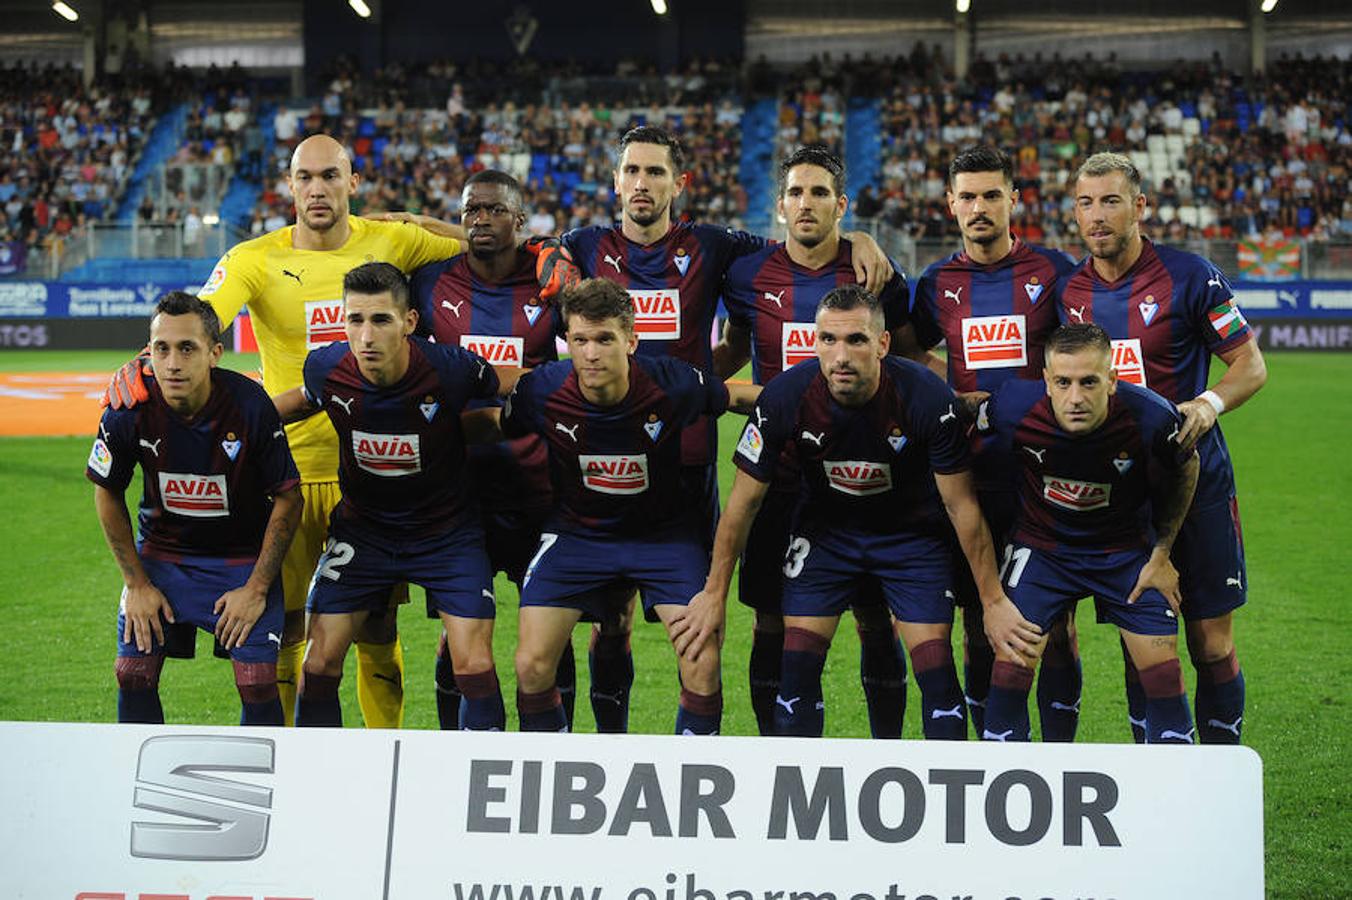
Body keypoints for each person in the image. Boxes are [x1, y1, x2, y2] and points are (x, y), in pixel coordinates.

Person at [105, 134, 472, 728]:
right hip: (288, 474)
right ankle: (292, 761)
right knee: (287, 626)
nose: (318, 189)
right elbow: (196, 326)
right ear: (290, 185)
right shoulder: (255, 258)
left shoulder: (393, 240)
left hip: (377, 470)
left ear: (353, 183)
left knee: (377, 624)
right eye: (306, 177)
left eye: (331, 176)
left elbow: (482, 240)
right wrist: (141, 365)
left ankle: (384, 751)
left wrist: (416, 218)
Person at [677, 285, 1040, 739]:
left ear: (883, 344)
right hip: (826, 537)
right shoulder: (785, 397)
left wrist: (992, 601)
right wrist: (713, 594)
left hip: (912, 539)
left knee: (938, 677)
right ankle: (798, 790)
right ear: (815, 342)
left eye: (856, 340)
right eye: (828, 340)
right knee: (796, 674)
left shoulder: (927, 399)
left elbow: (961, 506)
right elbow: (741, 505)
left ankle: (946, 799)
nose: (840, 355)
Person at [1059, 152, 1266, 744]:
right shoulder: (1068, 291)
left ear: (1140, 206)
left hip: (1197, 484)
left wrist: (1209, 403)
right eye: (1086, 203)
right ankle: (1159, 778)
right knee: (1142, 643)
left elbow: (1250, 365)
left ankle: (1221, 770)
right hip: (1121, 499)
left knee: (1209, 641)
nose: (1097, 216)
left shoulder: (1190, 275)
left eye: (1111, 201)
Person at [496, 278, 760, 734]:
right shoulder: (541, 390)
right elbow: (498, 427)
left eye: (604, 339)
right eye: (579, 340)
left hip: (663, 538)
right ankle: (554, 770)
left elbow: (738, 396)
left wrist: (808, 400)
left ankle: (690, 777)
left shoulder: (671, 383)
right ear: (567, 343)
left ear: (631, 340)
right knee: (531, 664)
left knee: (703, 660)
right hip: (575, 536)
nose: (591, 353)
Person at [718, 146, 912, 738]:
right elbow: (732, 349)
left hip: (862, 467)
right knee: (771, 620)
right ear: (779, 207)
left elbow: (905, 364)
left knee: (874, 618)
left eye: (820, 193)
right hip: (778, 472)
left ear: (840, 205)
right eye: (797, 193)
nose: (807, 203)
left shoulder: (875, 275)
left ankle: (887, 751)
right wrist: (697, 384)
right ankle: (776, 751)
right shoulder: (748, 276)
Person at [272, 263, 507, 729]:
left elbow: (508, 387)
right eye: (354, 320)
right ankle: (322, 780)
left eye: (380, 319)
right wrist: (229, 416)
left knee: (474, 665)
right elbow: (298, 401)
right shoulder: (326, 368)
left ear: (410, 323)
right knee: (317, 666)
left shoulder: (450, 369)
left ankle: (473, 781)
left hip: (448, 535)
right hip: (364, 534)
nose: (365, 335)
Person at [904, 145, 1082, 741]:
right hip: (969, 475)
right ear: (951, 205)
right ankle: (991, 752)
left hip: (1042, 473)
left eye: (991, 195)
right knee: (978, 621)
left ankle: (1058, 756)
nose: (979, 207)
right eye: (967, 197)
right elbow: (907, 350)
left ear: (1015, 199)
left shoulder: (1053, 272)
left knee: (1054, 625)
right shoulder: (938, 283)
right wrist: (951, 390)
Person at [408, 169, 579, 729]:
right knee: (455, 634)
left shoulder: (551, 280)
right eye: (471, 211)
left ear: (520, 220)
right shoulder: (431, 282)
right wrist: (518, 376)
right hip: (460, 493)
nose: (481, 219)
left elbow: (587, 355)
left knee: (552, 633)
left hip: (541, 485)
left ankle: (555, 756)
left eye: (494, 210)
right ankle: (451, 756)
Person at [976, 323, 1200, 744]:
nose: (1075, 397)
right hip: (1041, 552)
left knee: (1163, 673)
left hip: (1125, 553)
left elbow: (1188, 464)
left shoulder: (1151, 417)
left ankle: (1173, 798)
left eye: (1089, 382)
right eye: (1062, 382)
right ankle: (1009, 789)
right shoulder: (1011, 408)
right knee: (1010, 664)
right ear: (1046, 381)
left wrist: (1163, 552)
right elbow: (964, 425)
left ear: (1113, 380)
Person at [88, 291, 301, 725]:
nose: (172, 363)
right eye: (161, 349)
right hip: (164, 558)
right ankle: (137, 783)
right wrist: (137, 584)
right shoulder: (127, 409)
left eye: (187, 348)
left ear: (214, 353)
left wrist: (256, 588)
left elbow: (288, 496)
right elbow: (106, 491)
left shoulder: (249, 405)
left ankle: (260, 786)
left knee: (259, 681)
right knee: (132, 673)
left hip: (241, 560)